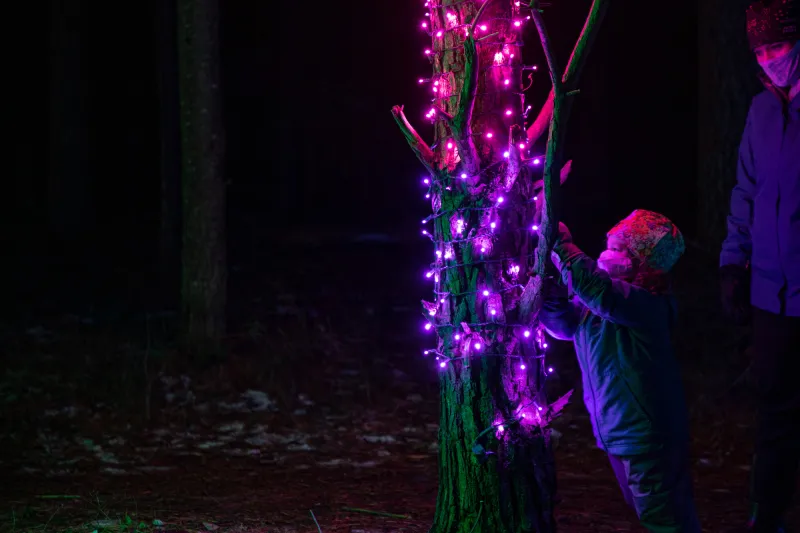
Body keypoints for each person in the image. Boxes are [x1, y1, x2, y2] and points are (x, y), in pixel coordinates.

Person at [540, 209, 700, 532]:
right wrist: (553, 297)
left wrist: (559, 242)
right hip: (619, 432)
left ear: (643, 263)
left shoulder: (644, 305)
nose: (608, 254)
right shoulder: (607, 298)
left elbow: (598, 292)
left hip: (647, 436)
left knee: (664, 518)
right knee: (651, 509)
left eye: (620, 249)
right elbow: (567, 325)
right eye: (610, 244)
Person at [719, 0, 800, 530]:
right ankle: (765, 516)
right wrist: (733, 263)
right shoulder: (760, 111)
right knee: (773, 412)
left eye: (779, 45)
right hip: (769, 294)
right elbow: (746, 191)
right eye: (761, 50)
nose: (770, 57)